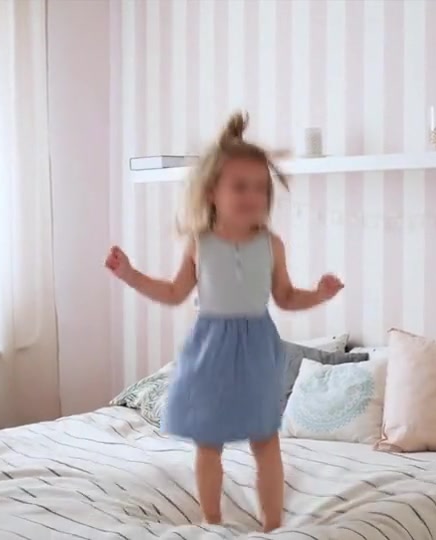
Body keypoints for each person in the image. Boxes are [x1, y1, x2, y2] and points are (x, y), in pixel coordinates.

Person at [106, 112, 342, 532]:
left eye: (260, 188)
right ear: (212, 191)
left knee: (265, 440)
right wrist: (130, 274)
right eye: (240, 186)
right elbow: (173, 292)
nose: (252, 196)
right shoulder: (200, 242)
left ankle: (273, 524)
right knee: (208, 441)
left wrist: (319, 294)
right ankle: (211, 519)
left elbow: (286, 298)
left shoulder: (271, 244)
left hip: (257, 348)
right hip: (210, 348)